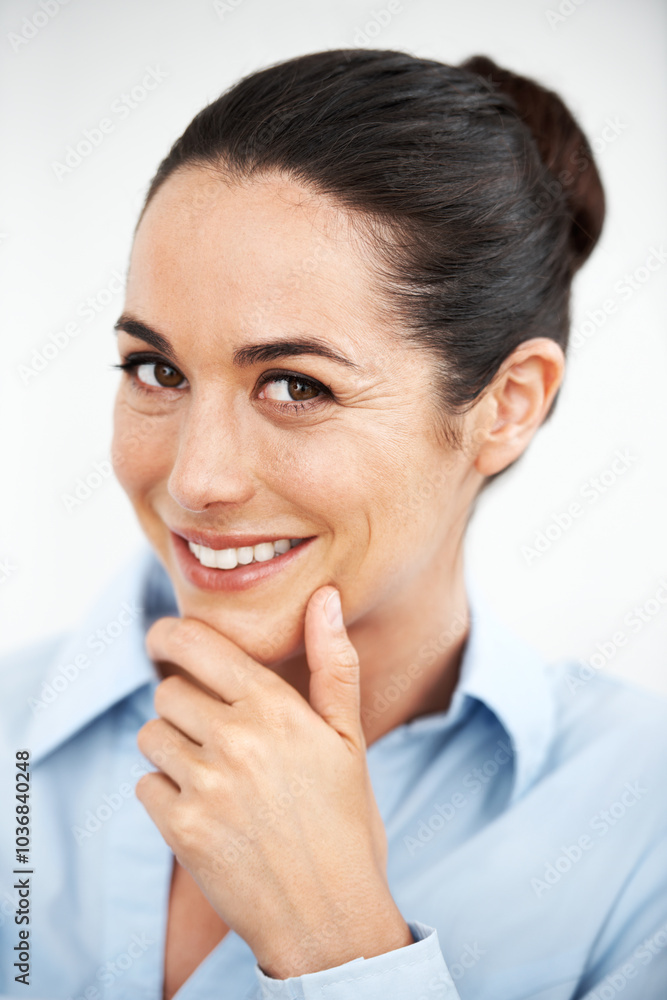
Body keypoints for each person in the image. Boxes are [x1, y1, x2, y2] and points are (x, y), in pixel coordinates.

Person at [1, 48, 666, 1000]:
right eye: (157, 370)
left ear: (506, 405)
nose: (196, 477)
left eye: (295, 385)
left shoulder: (646, 825)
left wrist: (343, 945)